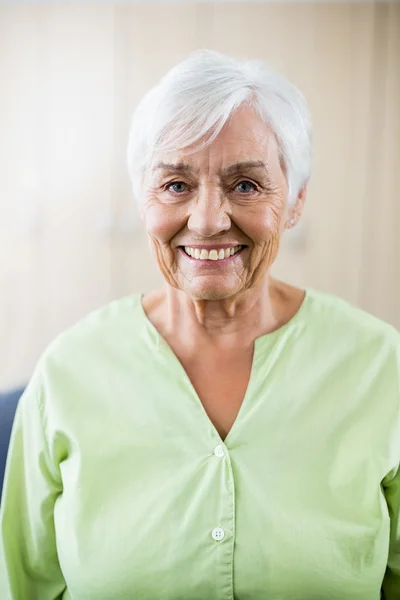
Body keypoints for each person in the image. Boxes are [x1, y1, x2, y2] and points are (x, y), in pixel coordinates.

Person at [1, 49, 399, 600]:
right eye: (175, 185)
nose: (208, 220)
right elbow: (25, 587)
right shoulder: (67, 374)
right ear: (143, 200)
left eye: (245, 185)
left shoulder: (383, 368)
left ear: (296, 200)